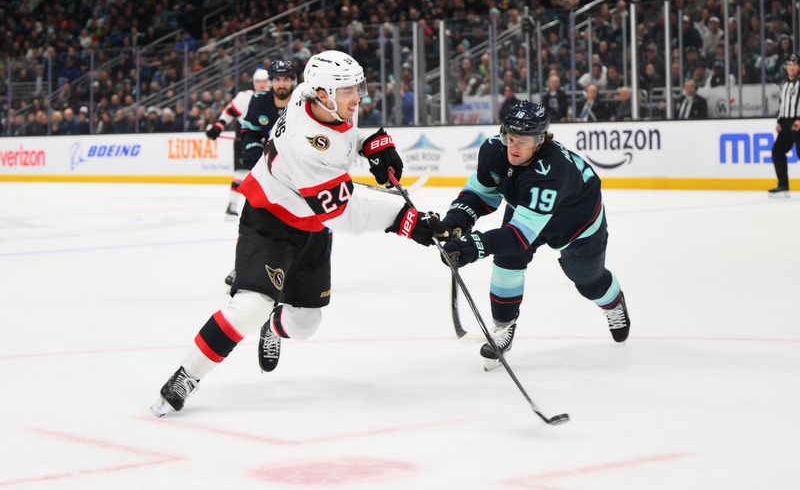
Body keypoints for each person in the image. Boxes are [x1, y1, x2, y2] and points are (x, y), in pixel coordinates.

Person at [152, 51, 447, 416]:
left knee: (306, 324)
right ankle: (187, 375)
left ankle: (274, 328)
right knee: (250, 306)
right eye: (349, 90)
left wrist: (373, 143)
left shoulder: (313, 100)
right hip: (270, 221)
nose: (358, 97)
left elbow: (344, 136)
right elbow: (343, 211)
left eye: (358, 86)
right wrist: (406, 218)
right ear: (322, 93)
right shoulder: (306, 141)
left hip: (312, 227)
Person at [440, 101, 630, 369]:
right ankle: (503, 328)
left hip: (576, 221)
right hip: (527, 207)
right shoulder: (494, 150)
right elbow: (480, 194)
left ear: (540, 141)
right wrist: (455, 222)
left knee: (587, 279)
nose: (514, 147)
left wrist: (473, 246)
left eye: (523, 141)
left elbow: (519, 237)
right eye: (510, 137)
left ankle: (613, 302)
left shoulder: (550, 172)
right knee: (506, 263)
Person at [206, 60, 297, 285]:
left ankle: (295, 271)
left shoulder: (302, 101)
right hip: (266, 167)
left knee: (295, 224)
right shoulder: (251, 98)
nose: (280, 83)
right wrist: (220, 127)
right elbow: (244, 124)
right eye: (276, 79)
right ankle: (243, 267)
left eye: (286, 79)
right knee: (253, 220)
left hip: (295, 176)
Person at [769, 53, 800, 196]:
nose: (791, 67)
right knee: (777, 151)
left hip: (798, 122)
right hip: (787, 122)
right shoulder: (784, 83)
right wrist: (779, 121)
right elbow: (782, 104)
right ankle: (783, 184)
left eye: (794, 64)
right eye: (789, 64)